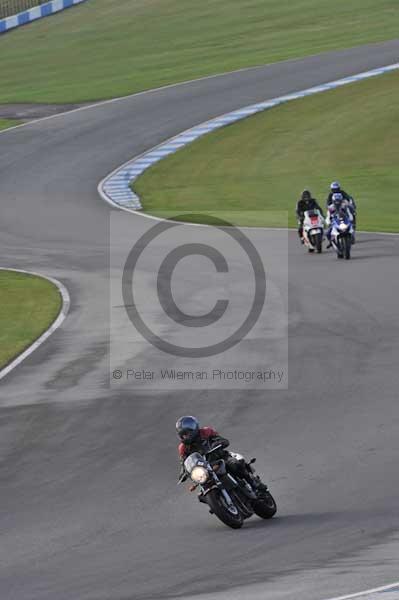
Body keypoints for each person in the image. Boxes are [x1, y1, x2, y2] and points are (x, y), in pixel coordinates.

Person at [176, 415, 267, 494]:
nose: (185, 436)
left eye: (187, 433)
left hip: (221, 458)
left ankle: (253, 482)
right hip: (205, 468)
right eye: (183, 435)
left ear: (193, 428)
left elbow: (221, 439)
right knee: (202, 488)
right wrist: (183, 473)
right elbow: (184, 462)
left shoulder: (205, 432)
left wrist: (219, 443)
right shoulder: (183, 448)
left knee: (235, 464)